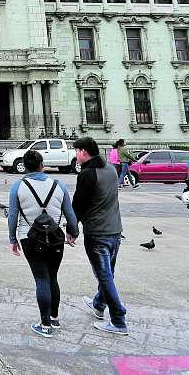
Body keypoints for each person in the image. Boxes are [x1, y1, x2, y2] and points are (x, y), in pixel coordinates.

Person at [8, 149, 79, 338]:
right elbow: (70, 212)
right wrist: (73, 232)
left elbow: (13, 216)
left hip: (29, 237)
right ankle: (54, 317)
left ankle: (45, 324)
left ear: (25, 166)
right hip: (55, 237)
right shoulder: (58, 185)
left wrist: (12, 239)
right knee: (52, 277)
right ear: (42, 165)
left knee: (41, 278)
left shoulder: (18, 186)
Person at [71, 135, 128, 335]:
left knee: (104, 277)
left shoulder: (88, 174)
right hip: (115, 230)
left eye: (76, 152)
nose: (75, 156)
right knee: (107, 274)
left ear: (83, 152)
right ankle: (98, 304)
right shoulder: (111, 169)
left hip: (97, 232)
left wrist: (72, 229)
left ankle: (118, 319)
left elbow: (79, 204)